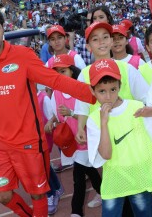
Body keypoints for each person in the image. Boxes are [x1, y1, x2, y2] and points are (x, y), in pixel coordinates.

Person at [0, 7, 96, 217]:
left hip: (28, 141)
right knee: (2, 195)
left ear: (3, 29)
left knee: (37, 194)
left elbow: (54, 80)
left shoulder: (23, 55)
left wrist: (93, 94)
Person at [74, 22, 149, 216]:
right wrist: (81, 127)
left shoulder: (127, 69)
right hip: (104, 135)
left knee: (136, 192)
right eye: (95, 39)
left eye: (105, 37)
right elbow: (82, 105)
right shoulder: (84, 74)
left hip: (131, 140)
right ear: (88, 45)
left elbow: (144, 100)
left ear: (112, 40)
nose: (101, 42)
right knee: (114, 179)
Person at [86, 59, 152, 216]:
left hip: (140, 178)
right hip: (114, 181)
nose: (108, 96)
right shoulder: (94, 119)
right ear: (92, 91)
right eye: (101, 91)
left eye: (113, 89)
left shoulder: (137, 107)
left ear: (120, 85)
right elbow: (106, 154)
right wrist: (104, 123)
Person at [46, 54, 101, 217]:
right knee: (88, 170)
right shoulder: (55, 94)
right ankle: (103, 192)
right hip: (73, 140)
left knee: (78, 176)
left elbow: (91, 115)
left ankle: (76, 211)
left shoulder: (83, 88)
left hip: (86, 138)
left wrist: (71, 113)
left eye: (63, 71)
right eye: (56, 72)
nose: (59, 75)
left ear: (72, 71)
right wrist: (52, 121)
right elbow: (60, 116)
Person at [37, 86, 63, 215]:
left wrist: (49, 125)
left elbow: (52, 117)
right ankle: (57, 187)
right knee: (44, 166)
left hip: (43, 139)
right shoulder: (22, 98)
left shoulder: (43, 98)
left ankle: (51, 194)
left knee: (40, 168)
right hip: (30, 139)